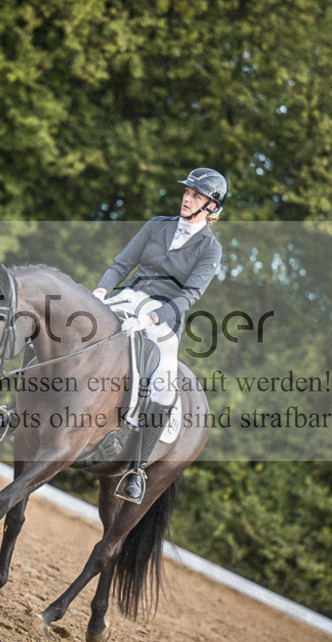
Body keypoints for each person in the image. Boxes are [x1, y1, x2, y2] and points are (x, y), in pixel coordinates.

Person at [94, 167, 226, 504]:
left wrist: (156, 315)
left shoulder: (210, 250)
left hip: (163, 318)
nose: (187, 198)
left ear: (210, 207)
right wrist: (100, 292)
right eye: (186, 192)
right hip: (127, 299)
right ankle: (13, 410)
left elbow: (189, 296)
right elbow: (121, 264)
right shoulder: (156, 225)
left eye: (196, 195)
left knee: (165, 379)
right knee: (74, 328)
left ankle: (136, 469)